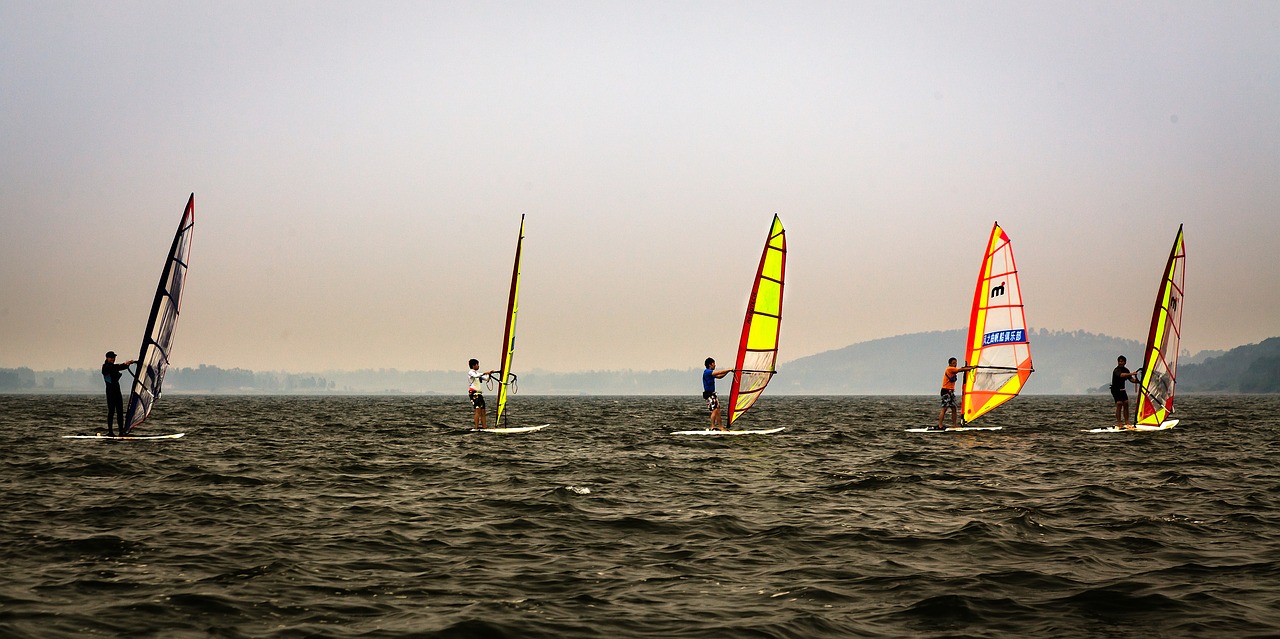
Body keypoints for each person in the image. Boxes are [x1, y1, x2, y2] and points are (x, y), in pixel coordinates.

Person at [935, 357, 977, 430]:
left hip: (951, 392)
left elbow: (962, 368)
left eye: (956, 363)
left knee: (954, 408)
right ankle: (940, 425)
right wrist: (972, 367)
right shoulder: (950, 369)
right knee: (944, 409)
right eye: (954, 363)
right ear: (950, 363)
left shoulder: (953, 369)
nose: (955, 364)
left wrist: (969, 367)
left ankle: (954, 425)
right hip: (946, 391)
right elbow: (961, 370)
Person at [101, 351, 136, 436]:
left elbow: (118, 367)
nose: (113, 359)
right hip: (110, 393)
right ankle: (110, 432)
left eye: (114, 357)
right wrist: (125, 364)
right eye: (111, 357)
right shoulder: (106, 367)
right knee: (111, 411)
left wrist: (128, 364)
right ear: (107, 358)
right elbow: (116, 367)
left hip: (117, 391)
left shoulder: (113, 366)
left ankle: (121, 431)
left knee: (120, 412)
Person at [702, 357, 733, 431]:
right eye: (714, 364)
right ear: (710, 364)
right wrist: (728, 369)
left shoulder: (711, 373)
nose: (715, 365)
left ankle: (721, 427)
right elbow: (718, 372)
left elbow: (720, 376)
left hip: (713, 394)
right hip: (709, 395)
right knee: (715, 410)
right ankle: (712, 427)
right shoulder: (707, 372)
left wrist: (728, 372)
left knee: (718, 410)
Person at [467, 359, 498, 429]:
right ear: (473, 365)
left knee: (483, 411)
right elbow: (476, 376)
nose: (478, 366)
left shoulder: (477, 373)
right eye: (477, 364)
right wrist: (485, 372)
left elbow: (486, 379)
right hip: (474, 394)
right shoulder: (471, 373)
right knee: (478, 411)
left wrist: (489, 374)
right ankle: (476, 427)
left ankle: (484, 427)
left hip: (479, 394)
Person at [1111, 355, 1140, 429]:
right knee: (1119, 403)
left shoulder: (1126, 370)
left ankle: (1127, 422)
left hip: (1122, 389)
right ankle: (1119, 423)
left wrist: (1139, 381)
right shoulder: (1116, 370)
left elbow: (1131, 380)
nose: (1120, 363)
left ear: (1125, 362)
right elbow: (1121, 375)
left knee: (1126, 403)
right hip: (1115, 390)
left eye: (1122, 361)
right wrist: (1131, 374)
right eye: (1119, 361)